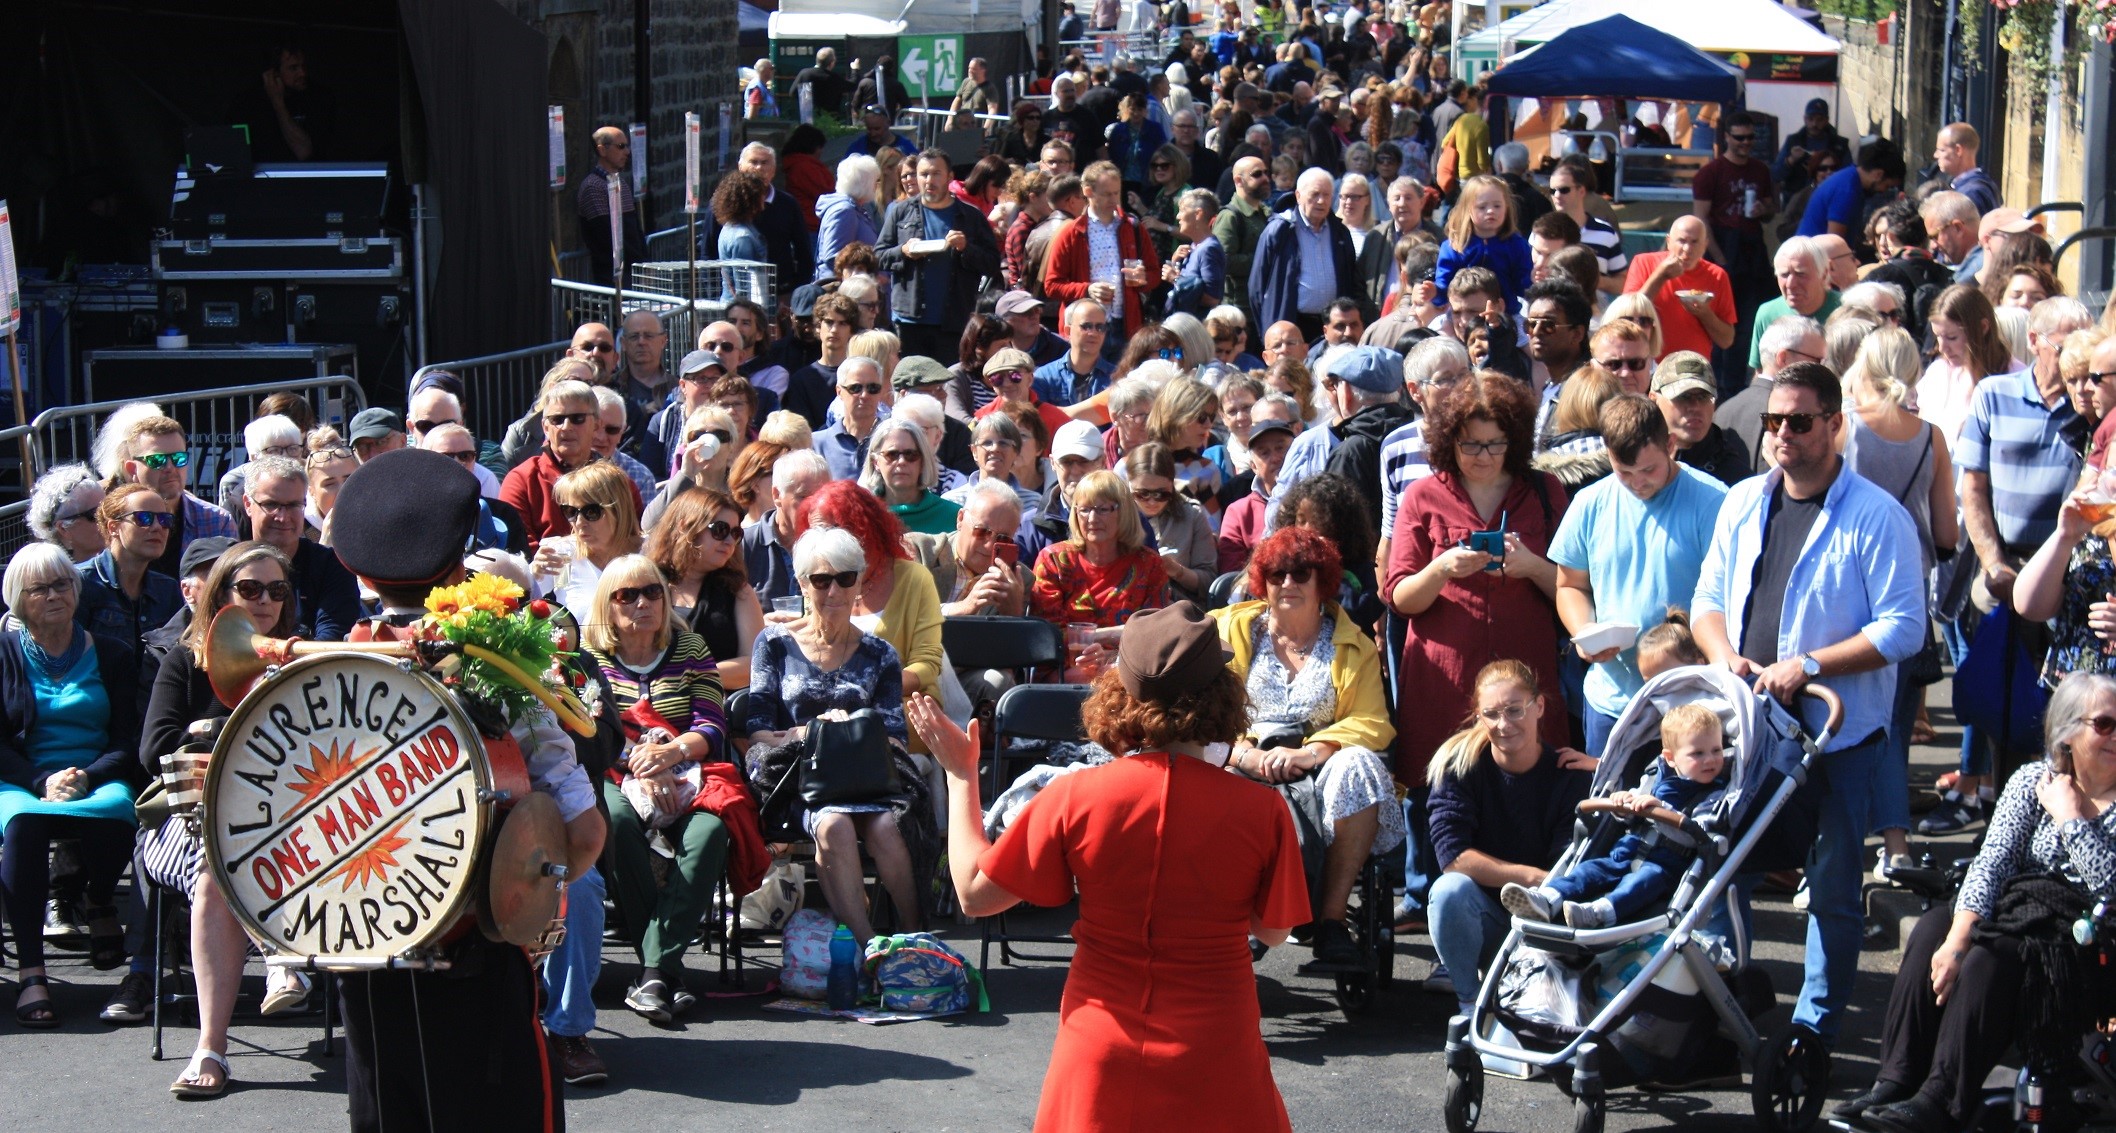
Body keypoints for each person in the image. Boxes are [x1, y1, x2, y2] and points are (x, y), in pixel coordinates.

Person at [910, 600, 1306, 1131]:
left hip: (1100, 1046)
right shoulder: (1264, 811)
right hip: (1217, 1047)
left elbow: (975, 894)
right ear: (1222, 696)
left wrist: (962, 777)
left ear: (1121, 694)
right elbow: (1274, 932)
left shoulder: (1076, 796)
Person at [327, 448, 603, 1133]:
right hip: (479, 958)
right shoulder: (500, 675)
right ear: (461, 563)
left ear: (356, 569)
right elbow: (582, 832)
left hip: (360, 957)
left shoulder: (323, 672)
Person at [1690, 360, 1925, 1051]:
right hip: (1751, 726)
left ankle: (1813, 1029)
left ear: (1834, 423)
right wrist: (1721, 653)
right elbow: (1708, 599)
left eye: (1798, 420)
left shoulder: (1877, 516)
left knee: (1831, 885)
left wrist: (1811, 664)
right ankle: (1724, 987)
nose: (1782, 434)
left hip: (1837, 735)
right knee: (1720, 860)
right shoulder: (1742, 501)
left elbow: (1904, 627)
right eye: (1773, 421)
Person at [1835, 672, 2116, 1133]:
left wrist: (2069, 817)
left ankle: (1941, 1100)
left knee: (1993, 955)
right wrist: (1956, 938)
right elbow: (1993, 863)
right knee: (1932, 931)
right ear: (2068, 731)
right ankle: (1898, 1079)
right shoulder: (2032, 780)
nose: (2115, 735)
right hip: (2018, 905)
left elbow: (2110, 885)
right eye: (2105, 724)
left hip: (2085, 933)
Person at [139, 540, 307, 1094]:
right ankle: (213, 1046)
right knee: (217, 867)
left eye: (276, 590)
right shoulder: (185, 659)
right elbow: (156, 748)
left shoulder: (300, 658)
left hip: (285, 825)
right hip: (188, 819)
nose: (263, 600)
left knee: (238, 858)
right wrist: (229, 732)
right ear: (221, 595)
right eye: (249, 588)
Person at [1214, 526, 1404, 968]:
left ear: (1323, 581)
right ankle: (1243, 918)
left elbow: (1373, 721)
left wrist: (1313, 751)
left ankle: (1332, 922)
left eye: (1301, 573)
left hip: (1320, 768)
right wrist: (1245, 753)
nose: (1287, 583)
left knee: (1358, 763)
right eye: (1276, 573)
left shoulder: (1353, 645)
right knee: (1210, 776)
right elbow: (1202, 712)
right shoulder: (1226, 631)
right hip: (1241, 759)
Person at [1386, 371, 1571, 797]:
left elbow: (1576, 589)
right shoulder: (1422, 496)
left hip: (1525, 679)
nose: (1483, 456)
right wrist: (1442, 568)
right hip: (1444, 684)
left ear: (1516, 441)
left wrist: (1530, 566)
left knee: (1532, 799)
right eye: (1470, 444)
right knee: (1439, 797)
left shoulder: (1545, 491)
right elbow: (1399, 598)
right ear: (1448, 440)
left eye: (1495, 444)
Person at [744, 527, 924, 944]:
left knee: (887, 828)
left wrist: (849, 731)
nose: (834, 590)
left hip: (866, 776)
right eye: (821, 580)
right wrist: (812, 733)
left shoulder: (881, 653)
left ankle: (916, 940)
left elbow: (894, 737)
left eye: (845, 578)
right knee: (834, 828)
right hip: (802, 780)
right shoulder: (774, 644)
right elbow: (757, 731)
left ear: (859, 581)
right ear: (802, 583)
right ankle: (867, 950)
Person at [580, 552, 733, 1023]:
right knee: (617, 823)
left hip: (686, 771)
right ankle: (666, 971)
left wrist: (669, 755)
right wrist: (642, 765)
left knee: (709, 832)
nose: (642, 603)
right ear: (608, 606)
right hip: (614, 770)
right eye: (627, 595)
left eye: (652, 592)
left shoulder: (691, 651)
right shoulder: (591, 661)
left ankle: (653, 971)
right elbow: (588, 732)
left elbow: (712, 726)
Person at [0, 540, 141, 1027]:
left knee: (118, 811)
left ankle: (99, 897)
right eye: (40, 588)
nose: (54, 595)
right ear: (19, 598)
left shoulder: (114, 653)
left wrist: (88, 775)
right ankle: (31, 971)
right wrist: (41, 781)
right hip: (20, 776)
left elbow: (127, 739)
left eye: (62, 583)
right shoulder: (3, 653)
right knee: (23, 825)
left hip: (95, 772)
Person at [1550, 395, 1728, 756]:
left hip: (1690, 703)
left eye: (1649, 470)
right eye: (1624, 472)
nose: (1637, 484)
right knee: (1610, 811)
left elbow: (1733, 598)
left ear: (1671, 446)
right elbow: (1569, 585)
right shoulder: (1590, 502)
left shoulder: (1714, 501)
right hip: (1611, 701)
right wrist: (1584, 632)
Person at [1424, 659, 1594, 1008]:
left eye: (1515, 710)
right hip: (1485, 917)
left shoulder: (1570, 775)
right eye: (1492, 714)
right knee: (1447, 892)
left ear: (1540, 706)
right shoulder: (1457, 765)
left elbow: (1567, 866)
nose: (1504, 724)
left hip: (1545, 922)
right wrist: (1529, 877)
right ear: (1478, 716)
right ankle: (1470, 1003)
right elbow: (1453, 859)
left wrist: (1542, 886)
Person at [1504, 703, 1728, 928]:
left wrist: (1661, 809)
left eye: (1716, 750)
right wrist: (1623, 806)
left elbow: (1698, 835)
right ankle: (1548, 898)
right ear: (1670, 758)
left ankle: (1599, 914)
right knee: (1589, 870)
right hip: (1626, 852)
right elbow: (1631, 815)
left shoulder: (1714, 794)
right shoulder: (1654, 777)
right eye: (1698, 753)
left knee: (1640, 883)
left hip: (1665, 865)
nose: (1710, 759)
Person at [877, 150, 1003, 361]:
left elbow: (991, 263)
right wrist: (904, 251)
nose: (929, 180)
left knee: (947, 386)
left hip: (954, 320)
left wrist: (966, 248)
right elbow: (879, 255)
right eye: (923, 174)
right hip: (909, 321)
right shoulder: (900, 212)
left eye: (936, 173)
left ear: (950, 177)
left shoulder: (970, 216)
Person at [501, 379, 644, 550]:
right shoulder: (522, 480)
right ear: (545, 428)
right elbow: (519, 551)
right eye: (557, 419)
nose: (566, 427)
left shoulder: (620, 483)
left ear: (597, 425)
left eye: (578, 418)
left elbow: (634, 542)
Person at [1030, 470, 1169, 634]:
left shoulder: (1149, 564)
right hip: (1070, 658)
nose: (1092, 518)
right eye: (1084, 510)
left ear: (1124, 512)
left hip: (1126, 658)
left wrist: (1097, 640)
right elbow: (1048, 632)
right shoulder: (1054, 560)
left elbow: (1153, 631)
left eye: (1103, 509)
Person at [1043, 161, 1161, 347]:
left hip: (1126, 326)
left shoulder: (1133, 228)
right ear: (1088, 192)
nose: (1114, 200)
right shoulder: (1071, 232)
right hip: (1087, 327)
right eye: (1107, 194)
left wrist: (1143, 278)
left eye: (1116, 193)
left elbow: (1155, 274)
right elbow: (1052, 285)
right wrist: (1087, 290)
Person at [1249, 167, 1375, 338]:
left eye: (1326, 195)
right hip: (1291, 325)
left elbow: (1351, 280)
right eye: (1315, 194)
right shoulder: (1280, 231)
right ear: (1298, 196)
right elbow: (1257, 287)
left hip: (1333, 326)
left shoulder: (1340, 232)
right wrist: (1268, 331)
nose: (1321, 201)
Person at [110, 412, 238, 578]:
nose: (170, 467)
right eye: (157, 460)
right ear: (131, 470)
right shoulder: (113, 519)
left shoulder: (217, 521)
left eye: (178, 458)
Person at [71, 483, 181, 660]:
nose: (157, 527)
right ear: (113, 527)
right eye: (143, 518)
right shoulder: (79, 582)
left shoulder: (167, 589)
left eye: (165, 520)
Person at [1622, 217, 1737, 376]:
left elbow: (1726, 340)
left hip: (1692, 370)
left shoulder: (1717, 275)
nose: (1687, 249)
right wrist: (1661, 275)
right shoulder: (1644, 263)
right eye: (1681, 241)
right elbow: (1626, 316)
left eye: (1695, 242)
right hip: (1646, 366)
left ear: (1705, 245)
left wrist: (1704, 314)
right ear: (1668, 241)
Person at [539, 461, 646, 625]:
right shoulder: (562, 554)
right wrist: (535, 574)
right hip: (577, 649)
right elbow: (529, 605)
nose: (579, 522)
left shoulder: (651, 552)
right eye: (571, 512)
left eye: (591, 512)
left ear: (618, 510)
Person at [904, 479, 1029, 619]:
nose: (989, 545)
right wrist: (962, 608)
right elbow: (898, 612)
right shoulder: (918, 550)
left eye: (1002, 539)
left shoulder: (1020, 580)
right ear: (960, 519)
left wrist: (1013, 614)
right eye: (982, 531)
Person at [1721, 316, 1826, 477]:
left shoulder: (1724, 411)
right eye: (1817, 361)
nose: (1822, 369)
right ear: (1783, 358)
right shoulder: (1797, 415)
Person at [1123, 443, 1216, 601]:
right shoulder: (1115, 513)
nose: (1152, 502)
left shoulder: (1192, 515)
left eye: (1161, 494)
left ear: (1172, 485)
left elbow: (1210, 581)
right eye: (1142, 494)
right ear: (1129, 484)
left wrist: (1177, 571)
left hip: (1173, 605)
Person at [745, 450, 831, 605]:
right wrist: (760, 622)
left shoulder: (838, 543)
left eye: (822, 496)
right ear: (777, 495)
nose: (815, 505)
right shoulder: (745, 544)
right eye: (803, 497)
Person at [1652, 352, 1751, 486]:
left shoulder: (1738, 481)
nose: (1695, 406)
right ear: (1653, 400)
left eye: (1704, 396)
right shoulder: (1632, 466)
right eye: (1683, 396)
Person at [1747, 236, 1843, 371]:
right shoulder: (1767, 313)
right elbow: (1762, 373)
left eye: (1801, 274)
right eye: (1784, 275)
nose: (1791, 284)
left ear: (1823, 274)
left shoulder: (1845, 309)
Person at [228, 43, 332, 162]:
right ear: (273, 73)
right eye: (294, 68)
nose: (303, 73)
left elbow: (304, 152)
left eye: (303, 66)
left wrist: (278, 102)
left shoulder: (318, 97)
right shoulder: (247, 102)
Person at [863, 415, 960, 535]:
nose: (901, 461)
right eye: (892, 454)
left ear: (923, 461)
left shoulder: (953, 516)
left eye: (910, 454)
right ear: (876, 462)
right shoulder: (862, 516)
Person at [1796, 137, 1905, 239]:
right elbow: (1834, 242)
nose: (1884, 191)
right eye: (1887, 186)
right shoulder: (1847, 190)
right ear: (1878, 175)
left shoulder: (1849, 178)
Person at [578, 126, 645, 285]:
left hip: (632, 272)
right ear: (602, 150)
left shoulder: (621, 184)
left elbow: (634, 229)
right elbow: (606, 235)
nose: (627, 152)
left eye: (627, 146)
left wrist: (644, 263)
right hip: (611, 275)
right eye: (621, 146)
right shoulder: (593, 187)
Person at [1215, 155, 1276, 312]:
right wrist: (1264, 259)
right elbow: (1223, 261)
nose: (1265, 178)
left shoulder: (1266, 213)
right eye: (1257, 174)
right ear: (1238, 180)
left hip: (1264, 305)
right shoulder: (1230, 216)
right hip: (1239, 309)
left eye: (1265, 172)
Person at [815, 155, 883, 283]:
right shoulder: (844, 210)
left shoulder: (856, 208)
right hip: (844, 293)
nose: (877, 186)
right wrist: (868, 275)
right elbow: (833, 257)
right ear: (865, 183)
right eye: (876, 181)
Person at [1164, 188, 1226, 317]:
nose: (1178, 216)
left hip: (1196, 328)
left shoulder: (1208, 249)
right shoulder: (1195, 247)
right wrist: (1174, 261)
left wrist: (1175, 279)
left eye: (1182, 210)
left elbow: (1212, 298)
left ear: (1198, 214)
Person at [27, 465, 106, 564]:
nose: (109, 518)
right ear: (63, 529)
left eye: (108, 507)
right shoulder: (56, 576)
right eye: (95, 514)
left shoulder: (123, 562)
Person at [1932, 121, 1999, 215]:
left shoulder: (1972, 194)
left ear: (1958, 150)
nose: (1935, 155)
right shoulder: (1983, 184)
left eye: (1941, 150)